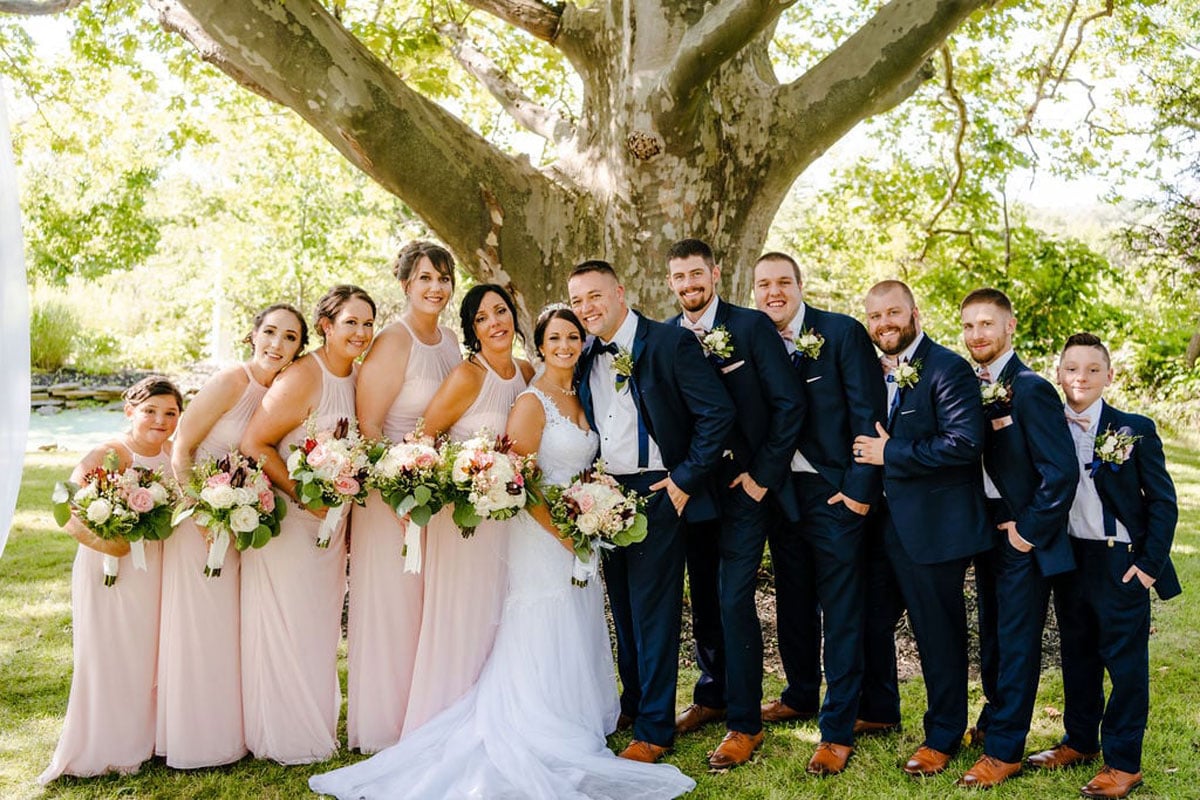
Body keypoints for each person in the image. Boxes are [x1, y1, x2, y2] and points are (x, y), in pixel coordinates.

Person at [310, 306, 695, 799]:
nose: (564, 345)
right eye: (554, 338)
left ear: (582, 343)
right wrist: (564, 532)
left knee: (577, 618)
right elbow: (523, 481)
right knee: (542, 618)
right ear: (540, 344)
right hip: (542, 535)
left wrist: (590, 515)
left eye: (572, 337)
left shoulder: (580, 395)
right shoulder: (533, 402)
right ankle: (540, 717)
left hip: (577, 531)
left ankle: (579, 713)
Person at [569, 260, 734, 763]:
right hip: (605, 494)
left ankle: (656, 729)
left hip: (658, 488)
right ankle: (635, 702)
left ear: (620, 292)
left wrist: (684, 479)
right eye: (577, 302)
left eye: (594, 296)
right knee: (622, 607)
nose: (586, 309)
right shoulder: (584, 355)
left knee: (654, 612)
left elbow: (718, 414)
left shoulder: (669, 342)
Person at [663, 240, 803, 769]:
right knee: (702, 597)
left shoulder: (750, 328)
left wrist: (762, 477)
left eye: (696, 274)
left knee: (732, 598)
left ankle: (745, 724)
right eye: (679, 277)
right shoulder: (665, 336)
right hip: (696, 488)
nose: (688, 285)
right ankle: (711, 695)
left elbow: (789, 404)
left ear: (716, 274)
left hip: (749, 488)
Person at [1025, 333, 1180, 800]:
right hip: (1071, 557)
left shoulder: (1134, 429)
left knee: (1125, 664)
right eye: (1072, 368)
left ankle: (1123, 762)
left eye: (1093, 369)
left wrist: (1149, 566)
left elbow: (1164, 503)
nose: (1081, 377)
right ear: (1059, 374)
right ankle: (1080, 742)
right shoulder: (1047, 425)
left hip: (1120, 559)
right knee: (1078, 656)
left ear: (1109, 376)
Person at [753, 252, 887, 776]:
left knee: (842, 610)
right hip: (781, 494)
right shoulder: (752, 338)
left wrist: (858, 491)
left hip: (835, 492)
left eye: (783, 282)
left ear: (799, 285)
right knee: (793, 600)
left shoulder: (841, 332)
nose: (774, 293)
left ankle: (836, 729)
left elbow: (868, 412)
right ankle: (800, 694)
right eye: (764, 285)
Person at [158, 304, 307, 769]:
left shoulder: (283, 393)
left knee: (228, 630)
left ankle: (229, 734)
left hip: (241, 522)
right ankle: (192, 739)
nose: (276, 344)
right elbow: (181, 447)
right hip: (198, 521)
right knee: (198, 627)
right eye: (269, 332)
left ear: (299, 348)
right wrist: (199, 511)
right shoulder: (231, 381)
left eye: (289, 338)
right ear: (252, 335)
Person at [852, 279, 991, 777]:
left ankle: (943, 734)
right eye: (875, 317)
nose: (884, 324)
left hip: (935, 528)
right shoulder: (869, 369)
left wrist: (892, 453)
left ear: (915, 312)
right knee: (868, 619)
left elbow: (963, 444)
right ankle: (880, 709)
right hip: (880, 525)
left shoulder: (947, 368)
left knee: (937, 635)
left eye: (893, 313)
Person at [239, 285, 376, 764]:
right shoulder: (303, 376)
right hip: (292, 524)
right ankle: (283, 735)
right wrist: (303, 497)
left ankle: (315, 726)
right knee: (290, 626)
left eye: (367, 323)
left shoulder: (356, 378)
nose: (360, 332)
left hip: (331, 526)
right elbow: (255, 442)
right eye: (350, 323)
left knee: (318, 630)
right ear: (326, 326)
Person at [955, 288, 1079, 788]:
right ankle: (994, 720)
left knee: (1018, 641)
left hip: (1024, 535)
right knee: (994, 637)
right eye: (968, 326)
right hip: (987, 530)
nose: (976, 335)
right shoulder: (973, 384)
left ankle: (1005, 751)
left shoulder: (1028, 388)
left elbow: (1061, 472)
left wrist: (1027, 532)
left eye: (986, 324)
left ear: (1010, 328)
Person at [401, 283, 534, 735]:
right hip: (463, 521)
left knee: (501, 612)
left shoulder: (527, 371)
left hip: (509, 520)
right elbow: (424, 438)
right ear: (472, 330)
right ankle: (446, 718)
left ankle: (496, 712)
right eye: (482, 317)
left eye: (501, 311)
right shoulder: (467, 376)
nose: (495, 322)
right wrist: (466, 476)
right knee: (462, 614)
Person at [40, 377, 183, 783]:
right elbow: (63, 506)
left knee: (146, 653)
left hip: (155, 568)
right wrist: (110, 546)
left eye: (170, 412)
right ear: (130, 412)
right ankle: (103, 745)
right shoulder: (110, 453)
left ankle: (143, 739)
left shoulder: (173, 455)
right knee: (109, 652)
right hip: (111, 569)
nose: (160, 419)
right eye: (150, 410)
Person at [347, 242, 461, 753]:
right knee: (391, 608)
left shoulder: (452, 340)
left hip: (431, 493)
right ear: (405, 285)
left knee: (426, 609)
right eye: (425, 278)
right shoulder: (394, 340)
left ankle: (425, 719)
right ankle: (384, 728)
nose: (435, 287)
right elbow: (369, 424)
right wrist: (396, 494)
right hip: (387, 496)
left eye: (443, 278)